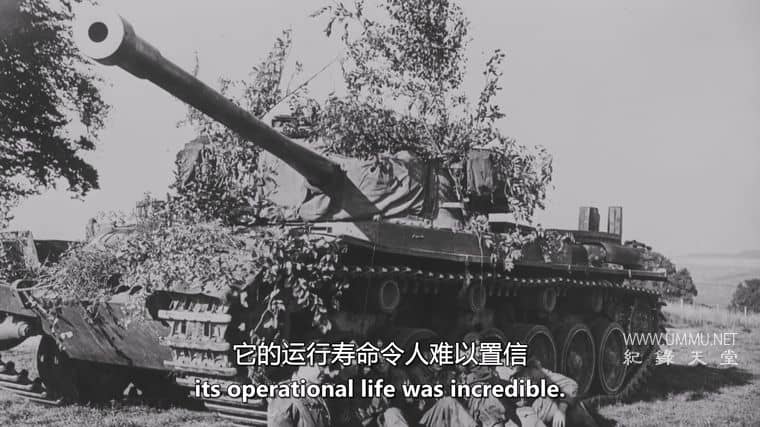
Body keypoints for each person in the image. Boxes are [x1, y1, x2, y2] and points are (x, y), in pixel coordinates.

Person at [505, 359, 599, 427]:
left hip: (562, 417)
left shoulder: (537, 373)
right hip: (533, 418)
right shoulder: (502, 383)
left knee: (575, 412)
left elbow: (570, 384)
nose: (524, 380)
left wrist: (561, 410)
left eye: (524, 376)